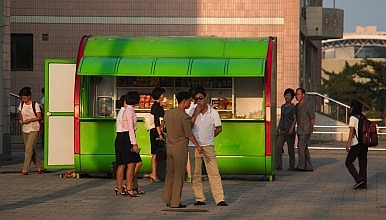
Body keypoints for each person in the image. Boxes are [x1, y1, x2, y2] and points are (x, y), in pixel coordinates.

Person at [162, 91, 203, 208]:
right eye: (189, 101)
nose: (190, 103)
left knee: (170, 173)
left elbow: (163, 129)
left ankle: (167, 199)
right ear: (184, 101)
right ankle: (175, 202)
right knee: (179, 175)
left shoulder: (168, 113)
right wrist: (198, 146)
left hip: (169, 147)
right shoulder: (184, 116)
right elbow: (189, 134)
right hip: (180, 148)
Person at [188, 87, 228, 206]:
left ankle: (219, 198)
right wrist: (195, 113)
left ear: (205, 98)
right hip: (193, 146)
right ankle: (199, 198)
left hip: (208, 146)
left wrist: (210, 136)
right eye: (196, 99)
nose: (199, 101)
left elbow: (219, 128)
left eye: (200, 98)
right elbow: (188, 128)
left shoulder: (213, 112)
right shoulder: (191, 111)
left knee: (214, 172)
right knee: (196, 173)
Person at [114, 94, 144, 196]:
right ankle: (129, 186)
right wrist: (134, 143)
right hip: (125, 138)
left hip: (124, 137)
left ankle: (124, 186)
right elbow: (130, 128)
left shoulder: (126, 110)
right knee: (130, 163)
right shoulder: (128, 111)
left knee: (124, 164)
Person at [18, 87, 44, 175]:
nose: (23, 99)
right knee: (30, 149)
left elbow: (39, 117)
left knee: (28, 149)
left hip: (34, 128)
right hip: (25, 129)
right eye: (22, 98)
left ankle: (25, 169)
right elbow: (20, 113)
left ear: (29, 96)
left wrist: (29, 120)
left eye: (25, 98)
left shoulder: (35, 105)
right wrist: (21, 120)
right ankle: (40, 166)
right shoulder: (21, 104)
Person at [345, 100, 367, 190]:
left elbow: (351, 131)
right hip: (364, 144)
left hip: (356, 144)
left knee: (348, 162)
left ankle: (358, 180)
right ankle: (363, 184)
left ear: (353, 108)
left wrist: (348, 143)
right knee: (362, 164)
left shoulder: (353, 118)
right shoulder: (363, 117)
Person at [276, 88, 296, 171]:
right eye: (286, 95)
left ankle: (292, 165)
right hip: (282, 130)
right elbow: (282, 118)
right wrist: (278, 128)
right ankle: (279, 165)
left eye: (289, 95)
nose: (287, 97)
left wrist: (292, 128)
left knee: (290, 149)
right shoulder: (282, 107)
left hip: (290, 131)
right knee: (278, 146)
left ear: (292, 97)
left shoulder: (293, 107)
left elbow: (295, 118)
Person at [295, 88, 314, 171]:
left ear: (303, 95)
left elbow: (312, 117)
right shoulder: (297, 106)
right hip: (300, 129)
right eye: (296, 94)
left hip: (306, 129)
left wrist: (311, 127)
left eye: (299, 94)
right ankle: (309, 166)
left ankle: (301, 166)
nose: (297, 96)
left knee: (300, 147)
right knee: (304, 148)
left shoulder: (307, 104)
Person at [149, 87, 166, 182]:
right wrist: (160, 134)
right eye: (163, 94)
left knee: (157, 153)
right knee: (155, 153)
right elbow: (156, 121)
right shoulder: (155, 106)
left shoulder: (158, 105)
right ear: (159, 95)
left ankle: (155, 173)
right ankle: (154, 174)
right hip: (156, 131)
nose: (164, 96)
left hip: (158, 131)